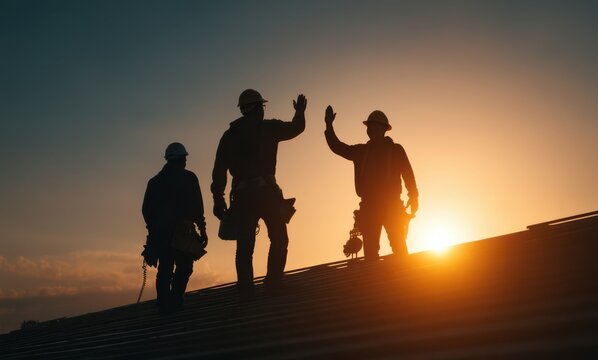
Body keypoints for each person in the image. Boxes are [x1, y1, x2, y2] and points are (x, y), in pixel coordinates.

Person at [212, 89, 306, 300]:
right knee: (279, 239)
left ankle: (246, 292)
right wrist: (299, 112)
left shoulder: (229, 136)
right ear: (256, 108)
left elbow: (219, 170)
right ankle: (273, 285)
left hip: (243, 197)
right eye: (262, 106)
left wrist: (218, 198)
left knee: (245, 247)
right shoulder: (268, 128)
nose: (264, 110)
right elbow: (296, 127)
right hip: (267, 194)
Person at [324, 106, 418, 261]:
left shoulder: (396, 150)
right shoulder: (361, 152)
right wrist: (328, 126)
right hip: (370, 207)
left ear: (383, 128)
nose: (370, 129)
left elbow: (409, 175)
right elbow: (338, 147)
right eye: (369, 126)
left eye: (373, 126)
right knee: (370, 252)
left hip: (392, 205)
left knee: (399, 247)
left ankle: (404, 281)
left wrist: (413, 196)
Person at [142, 142, 208, 314]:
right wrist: (202, 228)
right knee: (184, 267)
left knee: (165, 268)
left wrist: (153, 229)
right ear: (181, 159)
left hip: (161, 233)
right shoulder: (189, 178)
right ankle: (175, 301)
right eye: (185, 158)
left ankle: (164, 304)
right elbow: (197, 207)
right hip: (182, 232)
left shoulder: (154, 182)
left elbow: (146, 209)